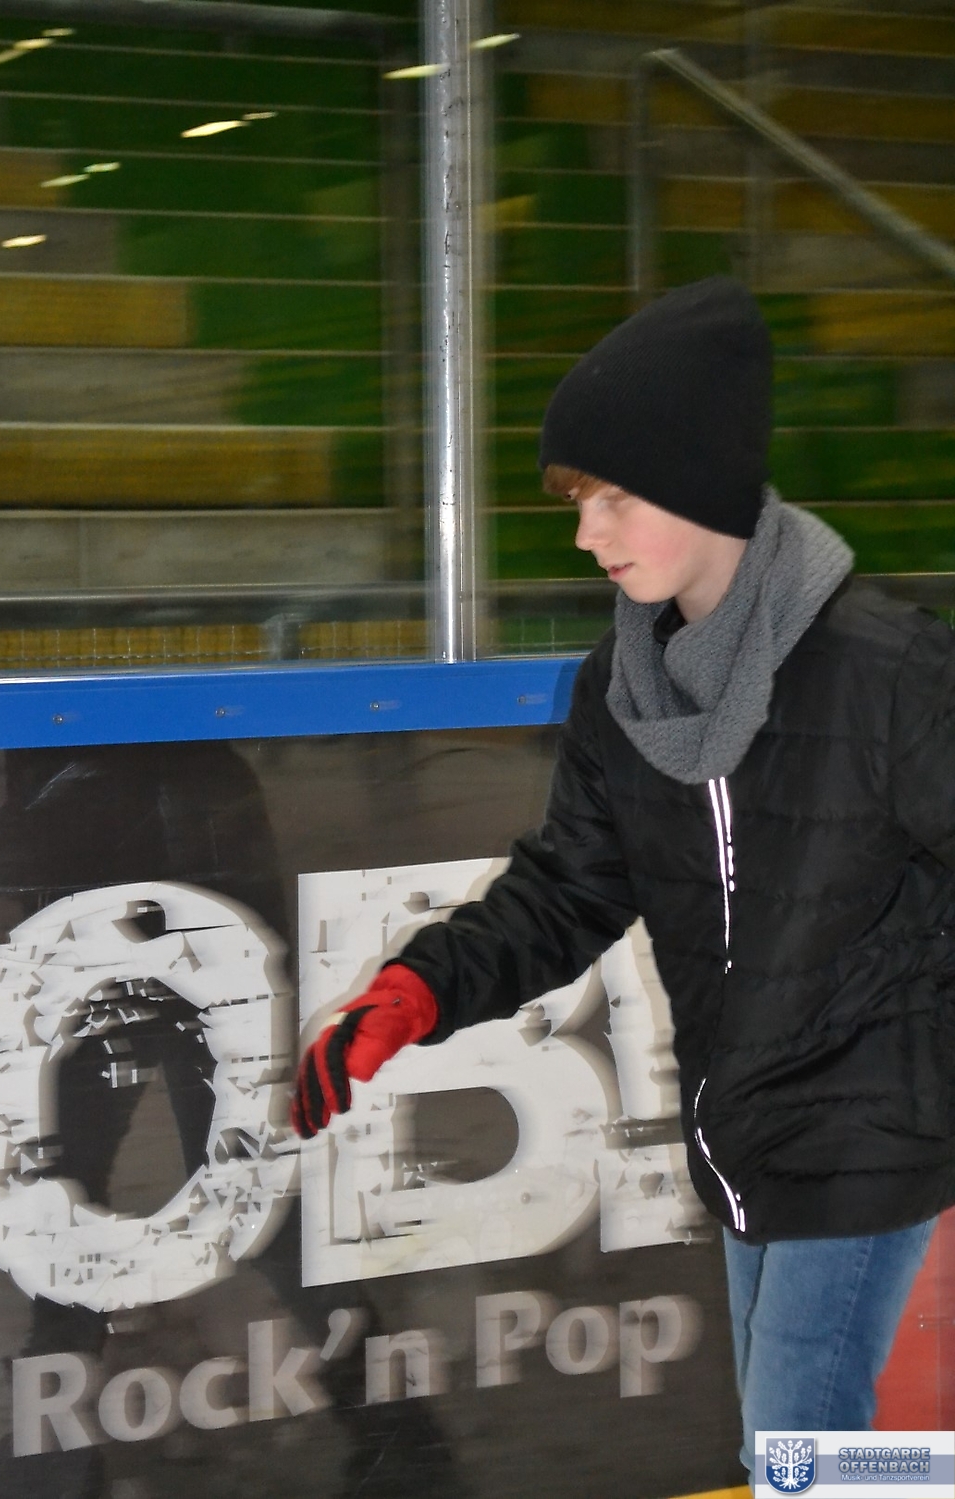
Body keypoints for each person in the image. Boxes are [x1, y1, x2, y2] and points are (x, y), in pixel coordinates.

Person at [291, 276, 955, 1485]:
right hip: (743, 1125)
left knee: (798, 1449)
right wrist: (419, 989)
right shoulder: (625, 688)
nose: (586, 533)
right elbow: (569, 888)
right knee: (809, 1450)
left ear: (699, 480)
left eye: (613, 497)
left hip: (869, 1131)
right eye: (577, 502)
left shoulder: (885, 670)